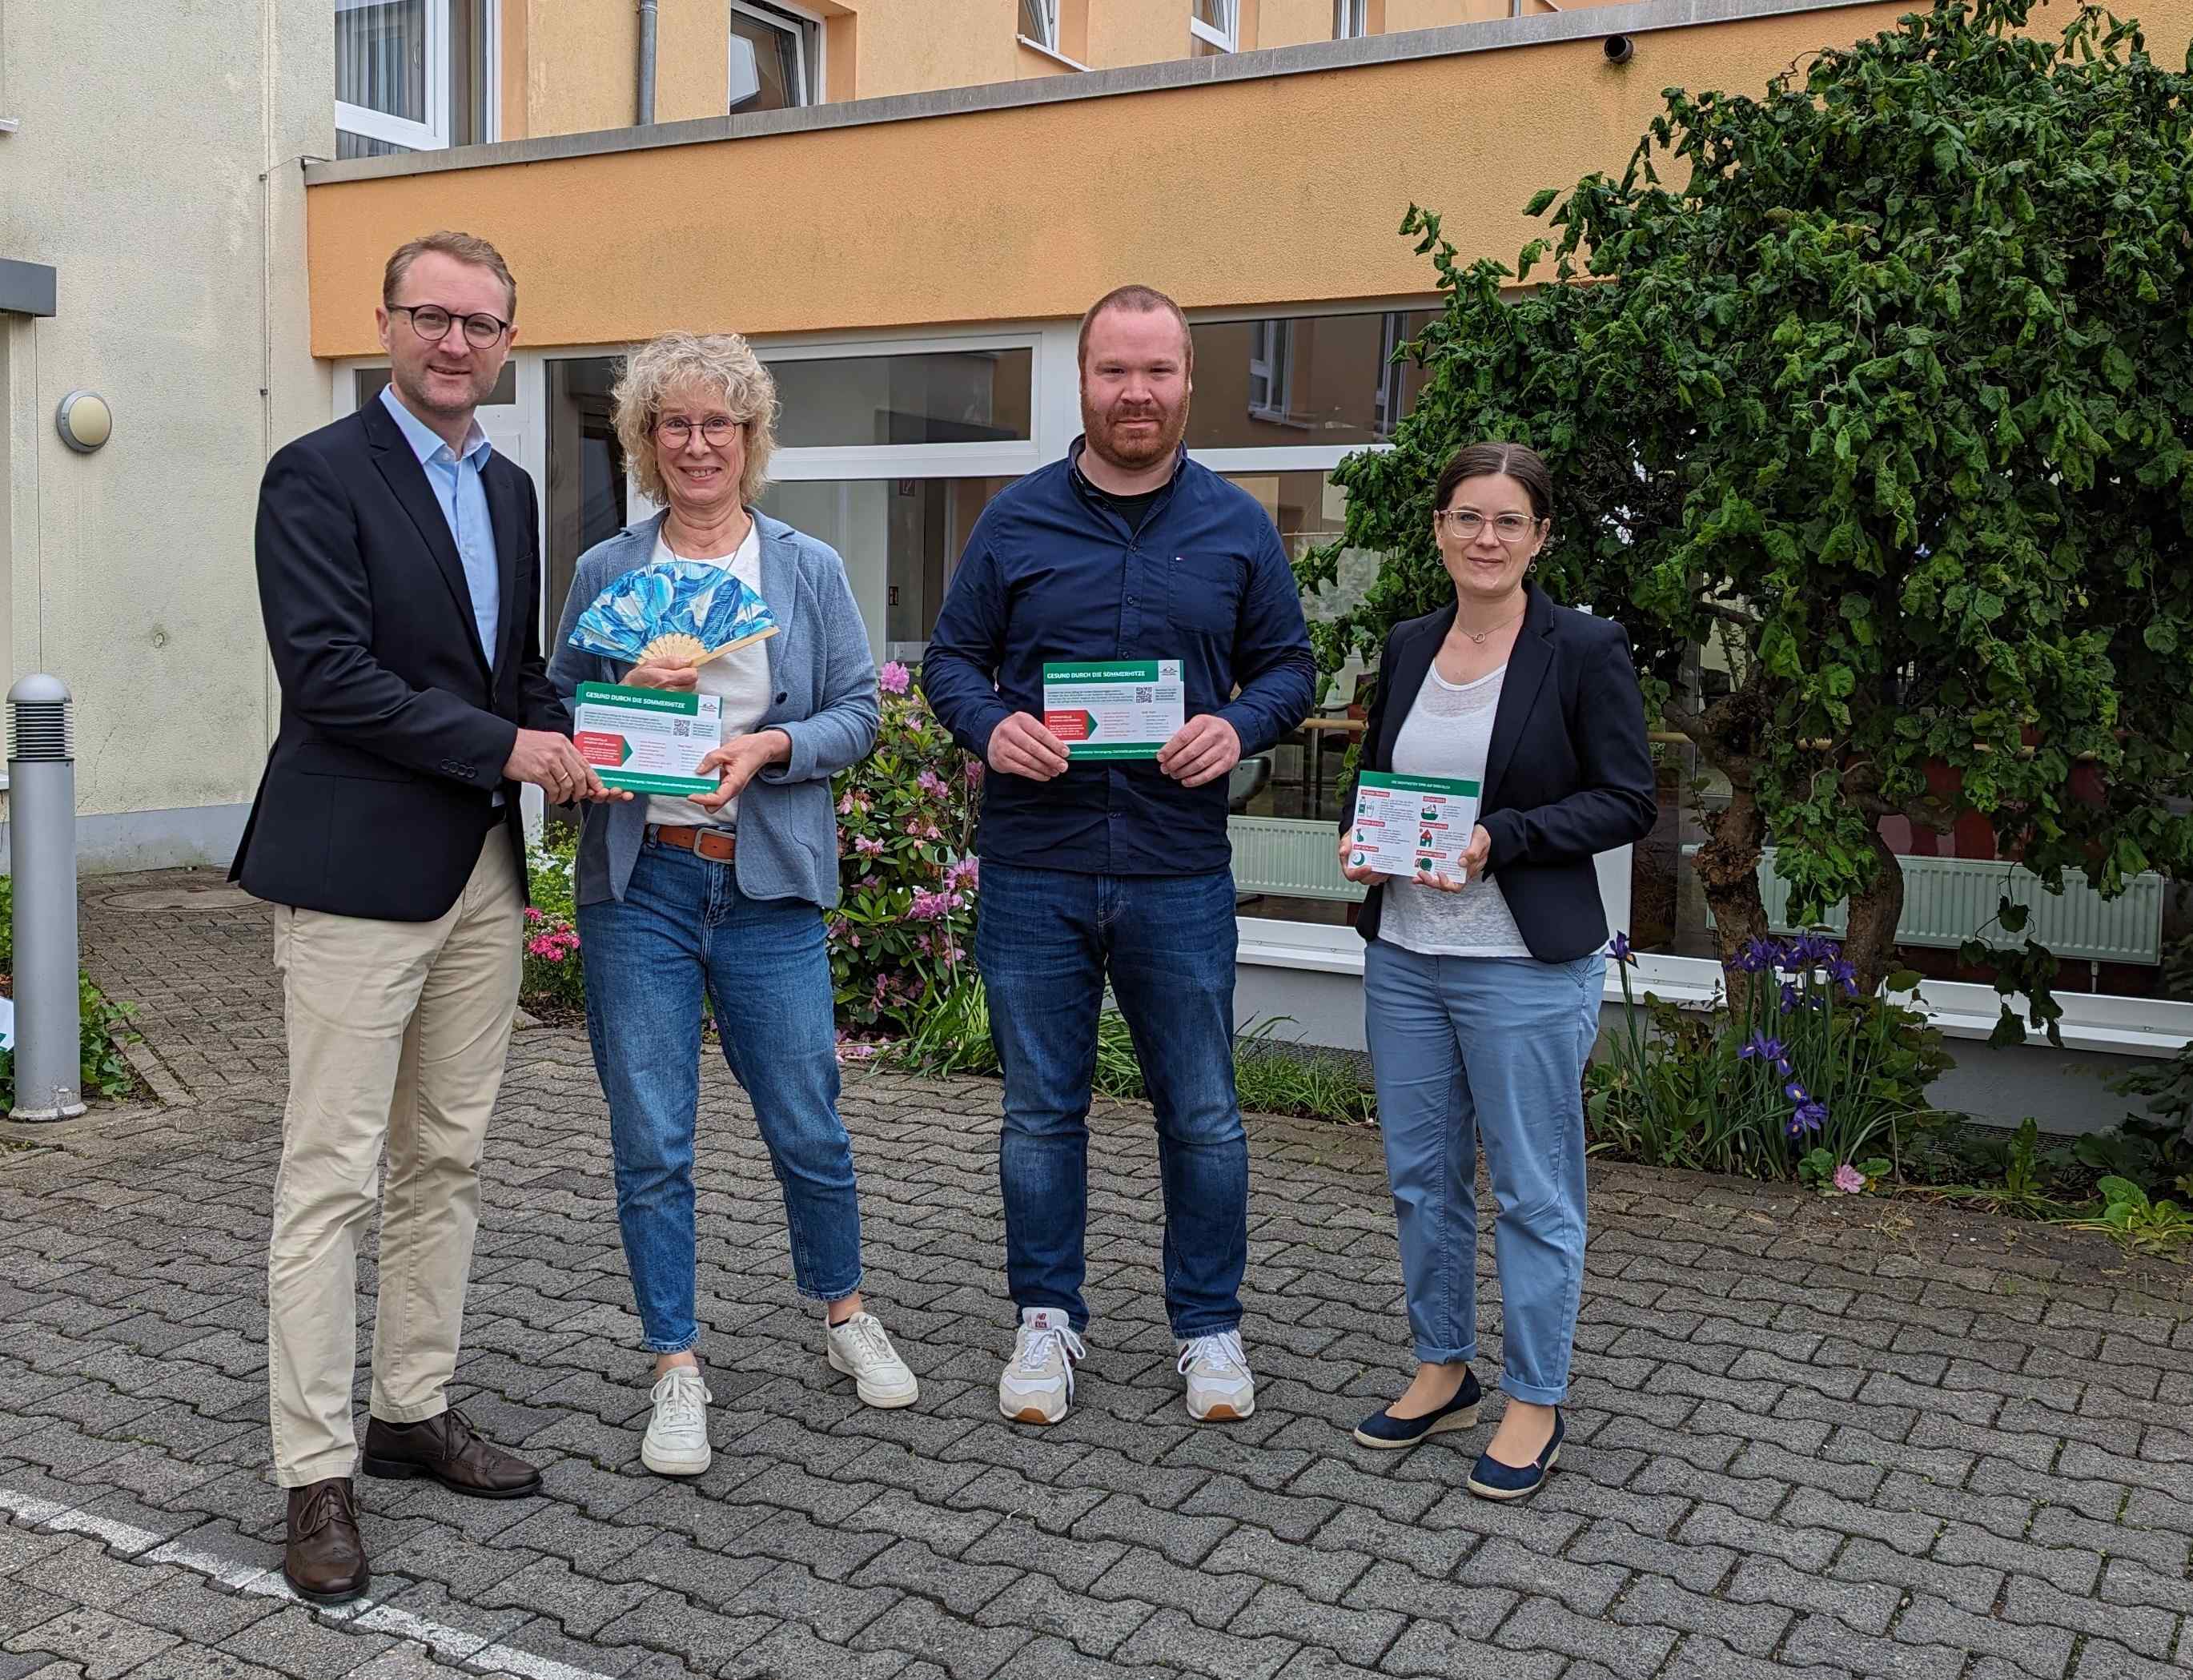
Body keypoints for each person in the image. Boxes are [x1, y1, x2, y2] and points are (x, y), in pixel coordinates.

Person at [235, 231, 610, 1604]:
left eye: (483, 325)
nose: (457, 344)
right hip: (354, 876)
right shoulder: (317, 475)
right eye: (433, 318)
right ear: (385, 324)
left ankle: (410, 1407)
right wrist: (510, 749)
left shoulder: (510, 488)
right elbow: (328, 676)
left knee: (446, 1157)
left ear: (510, 341)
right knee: (329, 1174)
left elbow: (513, 672)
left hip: (479, 877)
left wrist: (590, 737)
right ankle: (312, 1470)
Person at [923, 285, 1316, 1426]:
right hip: (1036, 864)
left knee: (1202, 1111)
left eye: (1156, 371)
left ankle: (1208, 1325)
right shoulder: (1015, 521)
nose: (1135, 393)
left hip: (1176, 866)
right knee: (1041, 1111)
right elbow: (955, 659)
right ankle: (1047, 1317)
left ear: (1189, 381)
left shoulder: (1237, 526)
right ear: (1084, 381)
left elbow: (1289, 667)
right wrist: (988, 721)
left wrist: (1237, 725)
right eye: (1114, 372)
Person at [548, 331, 916, 1479]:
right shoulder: (610, 571)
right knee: (651, 1136)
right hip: (641, 885)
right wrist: (614, 702)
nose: (698, 443)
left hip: (764, 885)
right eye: (675, 423)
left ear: (751, 439)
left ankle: (844, 1309)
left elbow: (858, 710)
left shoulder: (804, 569)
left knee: (807, 1119)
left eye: (720, 423)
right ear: (647, 441)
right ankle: (674, 1364)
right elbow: (566, 707)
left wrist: (774, 744)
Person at [1337, 441, 1655, 1500]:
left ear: (1541, 537)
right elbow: (1382, 776)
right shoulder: (1413, 640)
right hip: (1409, 956)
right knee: (1422, 1180)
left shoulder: (1585, 648)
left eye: (1508, 521)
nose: (1486, 538)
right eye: (1468, 517)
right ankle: (1443, 1368)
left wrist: (1501, 836)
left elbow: (1627, 798)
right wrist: (1359, 837)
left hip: (1520, 960)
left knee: (1531, 1190)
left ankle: (1534, 1395)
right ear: (1438, 529)